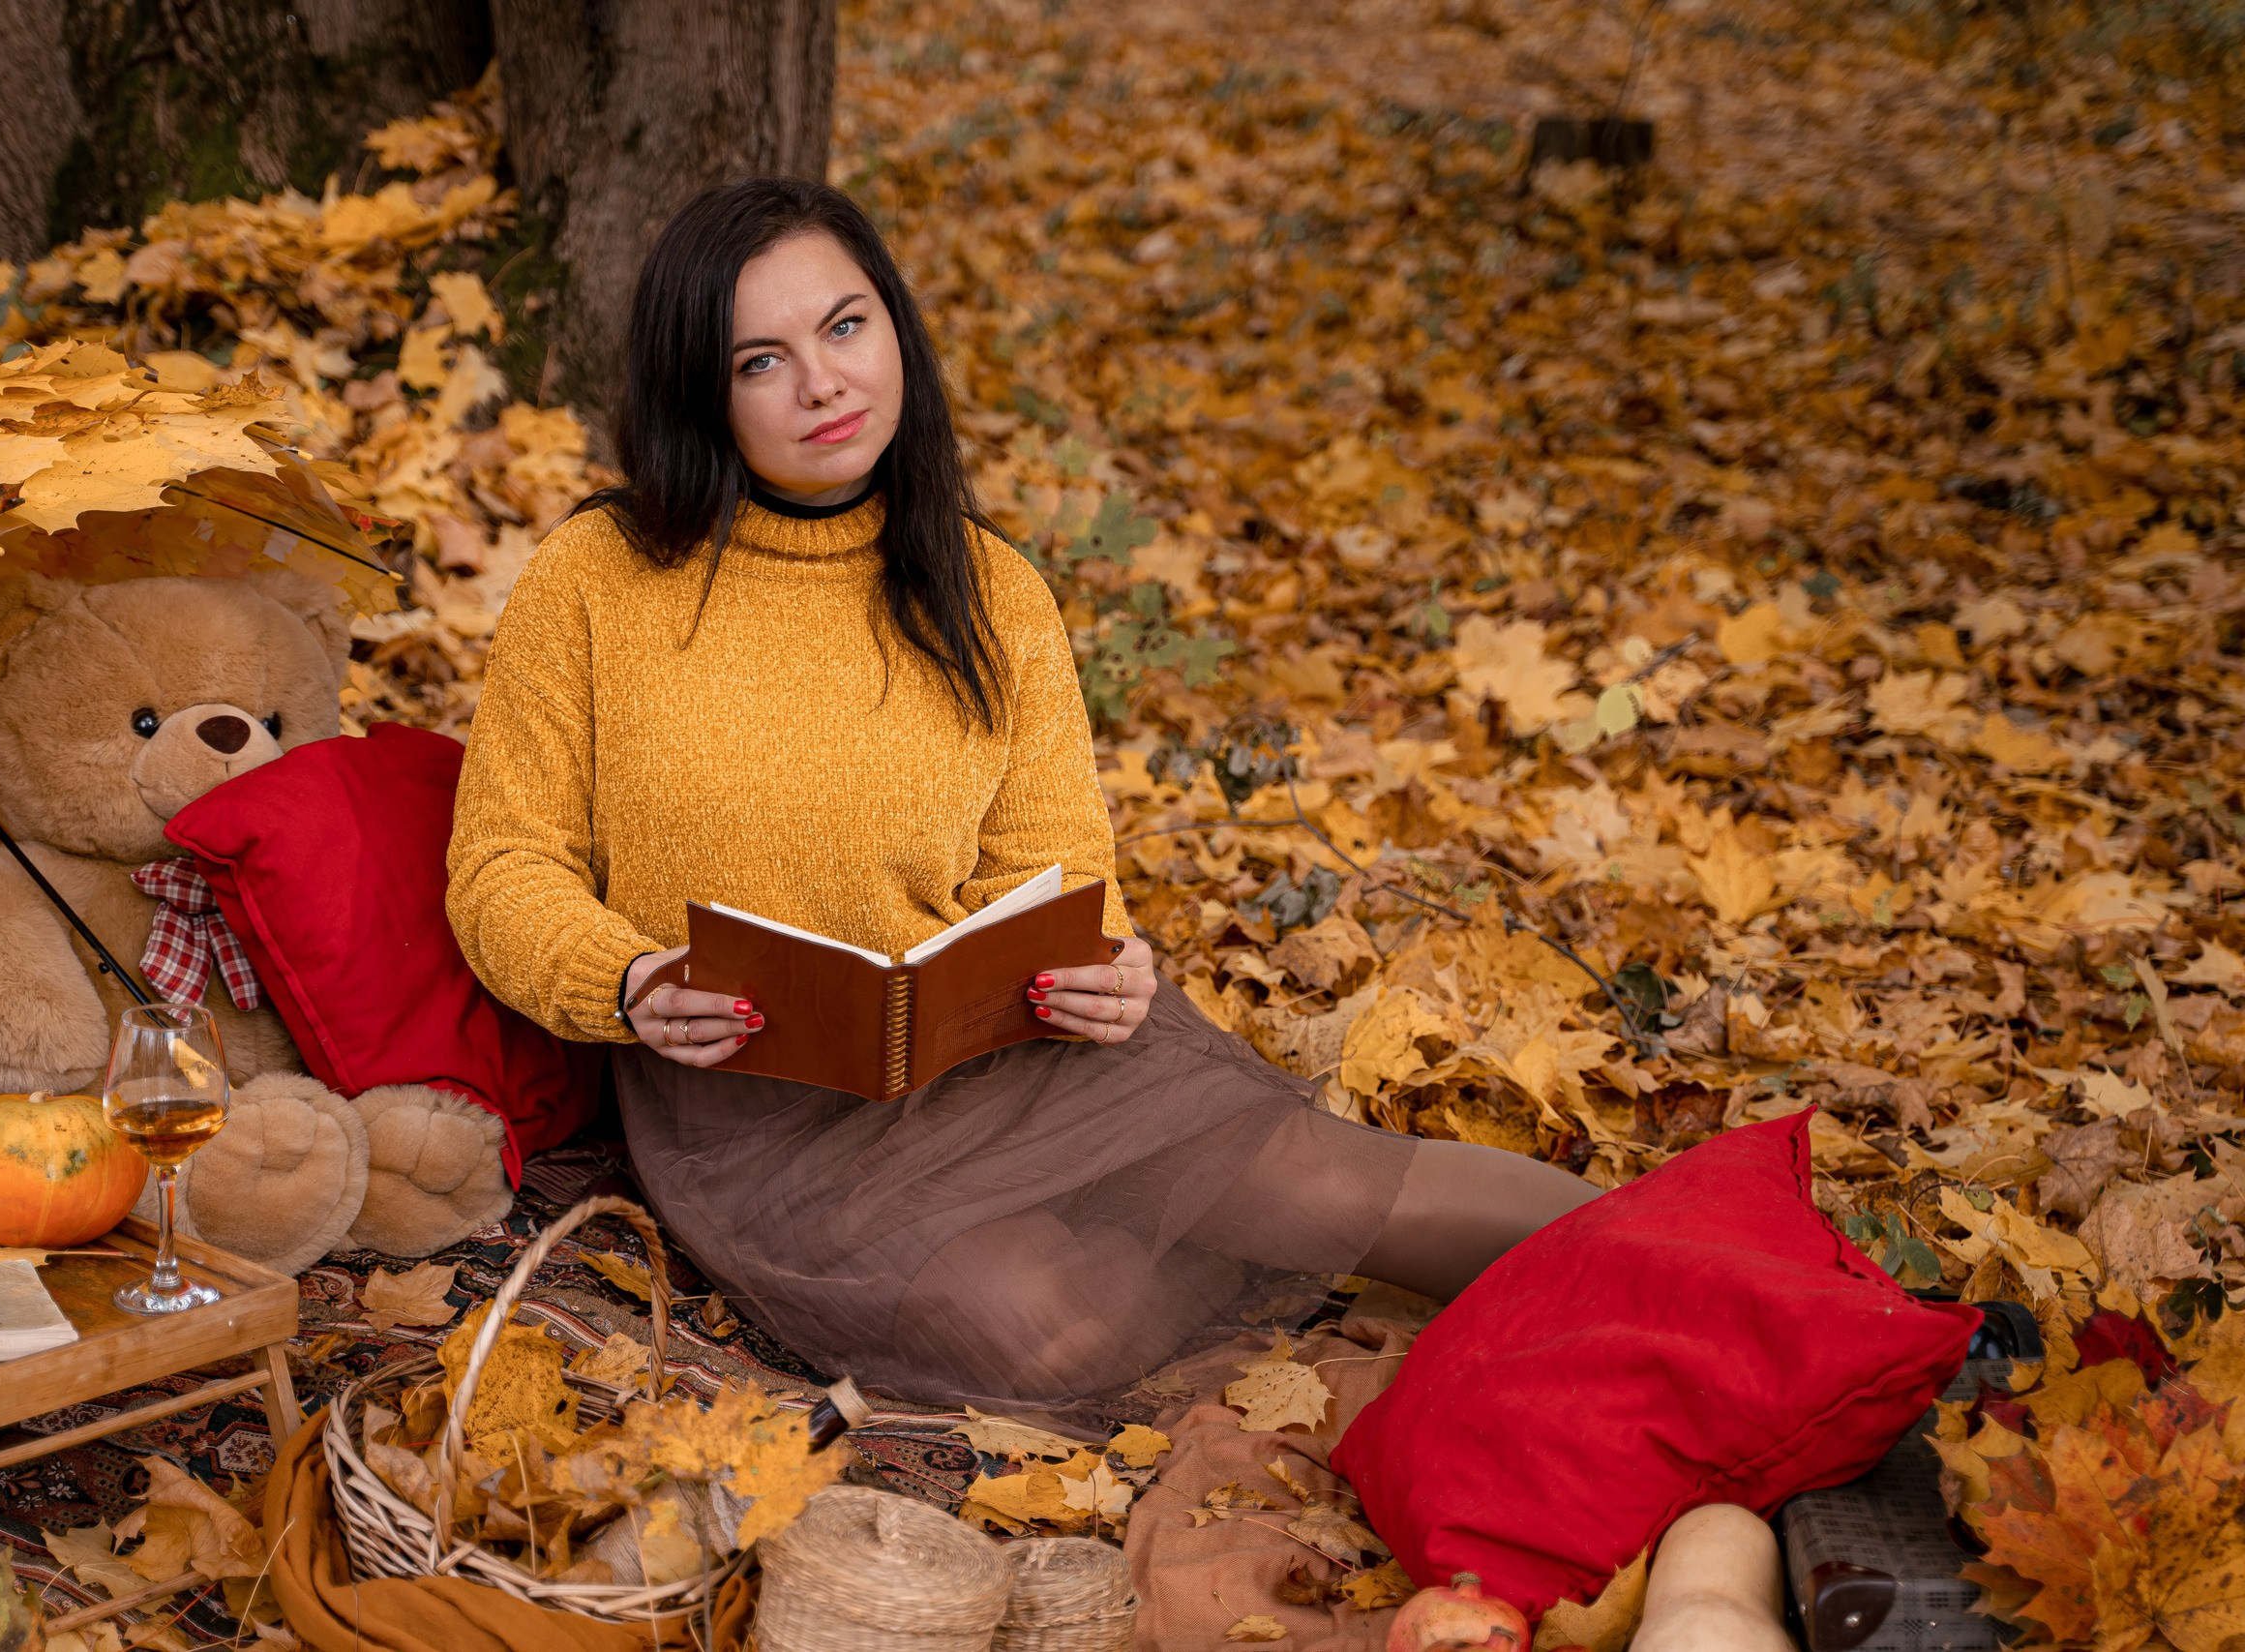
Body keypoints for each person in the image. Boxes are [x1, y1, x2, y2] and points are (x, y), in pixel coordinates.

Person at [445, 176, 1596, 1413]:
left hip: (1002, 1050)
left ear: (895, 328)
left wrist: (1098, 968)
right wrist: (625, 982)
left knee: (1323, 1188)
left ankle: (1730, 1285)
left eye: (845, 327)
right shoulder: (597, 580)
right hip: (758, 1109)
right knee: (1042, 1331)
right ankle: (1219, 1254)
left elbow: (1050, 867)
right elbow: (505, 860)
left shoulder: (990, 589)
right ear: (699, 392)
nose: (824, 384)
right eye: (760, 361)